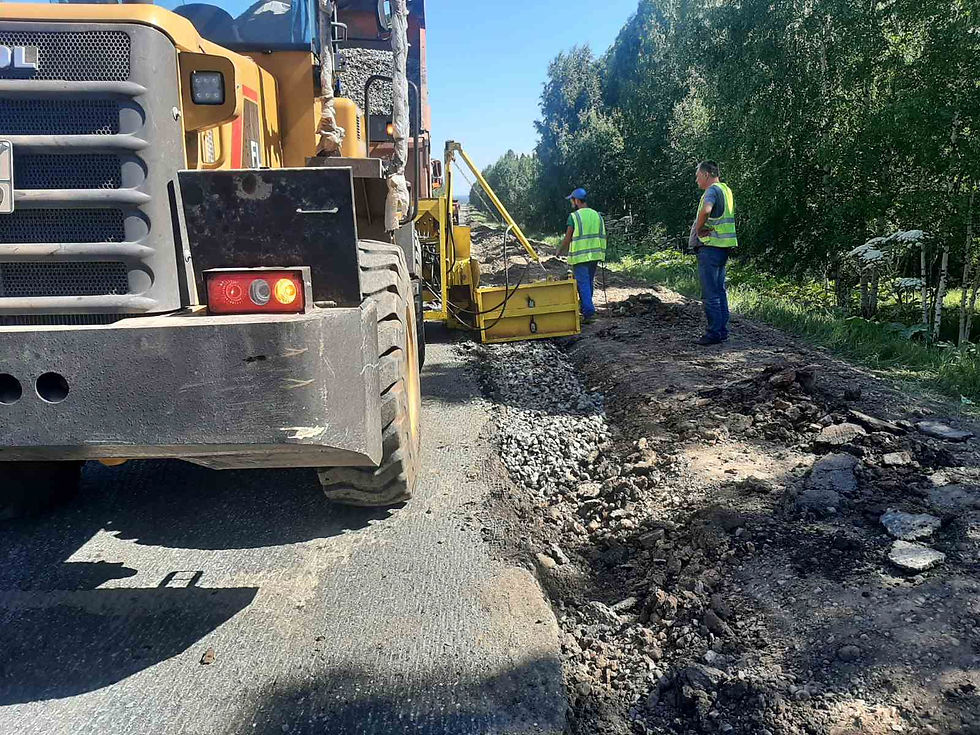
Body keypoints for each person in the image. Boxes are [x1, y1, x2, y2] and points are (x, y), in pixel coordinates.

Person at [691, 161, 738, 345]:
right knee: (719, 291)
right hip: (723, 247)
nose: (696, 180)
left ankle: (713, 333)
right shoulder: (726, 190)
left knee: (710, 293)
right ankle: (722, 330)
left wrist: (699, 228)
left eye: (698, 176)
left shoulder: (711, 191)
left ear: (706, 174)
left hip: (710, 246)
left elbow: (706, 210)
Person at [558, 188, 607, 324]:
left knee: (583, 283)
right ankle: (586, 307)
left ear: (577, 201)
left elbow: (568, 238)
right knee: (588, 282)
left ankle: (589, 313)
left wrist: (559, 250)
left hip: (580, 257)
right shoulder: (597, 215)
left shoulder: (574, 217)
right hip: (595, 255)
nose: (571, 203)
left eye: (572, 200)